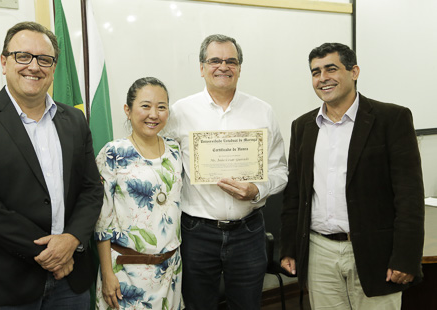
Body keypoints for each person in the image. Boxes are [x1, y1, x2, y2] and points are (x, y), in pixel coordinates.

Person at [0, 21, 104, 309]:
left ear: (53, 67)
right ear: (4, 62)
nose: (34, 66)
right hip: (5, 282)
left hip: (71, 280)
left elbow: (92, 190)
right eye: (23, 56)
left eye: (44, 59)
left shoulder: (74, 120)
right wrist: (53, 253)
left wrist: (70, 240)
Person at [280, 42, 425, 309]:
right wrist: (289, 246)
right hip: (319, 252)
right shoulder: (302, 126)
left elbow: (409, 197)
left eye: (331, 69)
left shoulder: (391, 119)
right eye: (315, 72)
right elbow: (296, 194)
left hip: (376, 254)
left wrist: (406, 257)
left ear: (354, 71)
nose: (322, 78)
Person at [169, 34, 288, 309]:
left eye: (231, 61)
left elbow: (280, 169)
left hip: (248, 231)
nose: (223, 66)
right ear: (202, 68)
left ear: (239, 68)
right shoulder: (179, 113)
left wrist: (259, 189)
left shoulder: (263, 111)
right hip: (197, 232)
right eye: (215, 60)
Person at [94, 77, 183, 310]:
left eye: (161, 107)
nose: (154, 114)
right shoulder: (113, 153)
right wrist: (107, 273)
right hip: (126, 272)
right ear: (128, 110)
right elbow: (102, 221)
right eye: (145, 106)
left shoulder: (175, 150)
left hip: (170, 271)